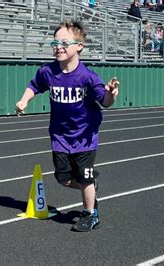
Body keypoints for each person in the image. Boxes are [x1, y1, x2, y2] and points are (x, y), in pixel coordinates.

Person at [15, 20, 119, 232]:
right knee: (62, 178)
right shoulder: (48, 72)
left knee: (84, 178)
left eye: (64, 42)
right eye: (55, 42)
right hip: (60, 136)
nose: (58, 46)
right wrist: (24, 100)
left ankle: (91, 214)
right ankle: (87, 185)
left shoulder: (88, 77)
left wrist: (110, 94)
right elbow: (34, 85)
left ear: (79, 46)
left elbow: (105, 102)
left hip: (85, 137)